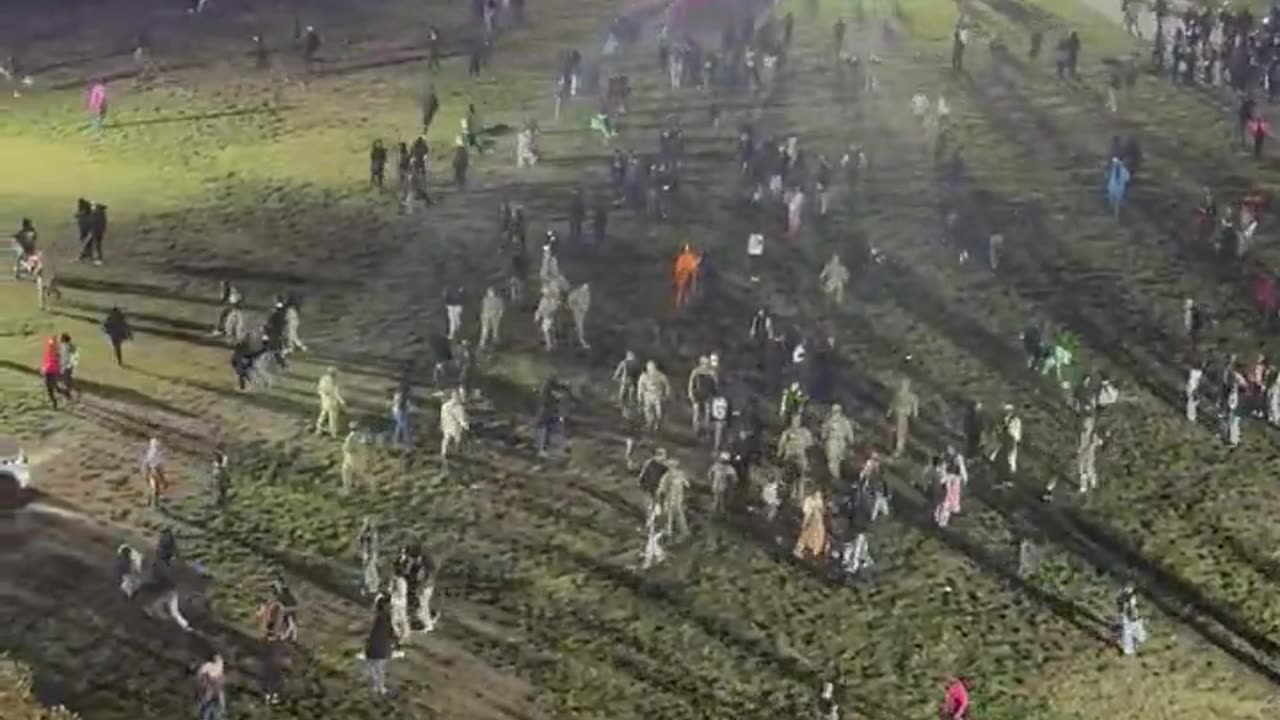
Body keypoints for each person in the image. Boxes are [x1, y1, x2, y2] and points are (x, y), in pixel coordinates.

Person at [365, 592, 397, 695]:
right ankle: (380, 687)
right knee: (380, 668)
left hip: (374, 645)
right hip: (383, 646)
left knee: (373, 666)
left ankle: (376, 685)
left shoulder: (376, 617)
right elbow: (393, 633)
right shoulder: (389, 618)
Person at [656, 457, 690, 541]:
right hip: (678, 499)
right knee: (678, 515)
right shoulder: (680, 474)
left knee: (669, 516)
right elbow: (687, 484)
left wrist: (658, 496)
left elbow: (661, 490)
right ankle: (683, 532)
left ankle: (670, 532)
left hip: (670, 500)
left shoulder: (667, 477)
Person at [793, 488, 829, 561]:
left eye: (819, 495)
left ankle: (814, 552)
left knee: (818, 537)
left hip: (818, 523)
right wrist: (805, 522)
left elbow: (822, 512)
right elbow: (807, 514)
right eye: (817, 494)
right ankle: (799, 550)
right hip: (812, 521)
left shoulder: (820, 501)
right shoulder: (809, 500)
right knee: (805, 535)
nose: (818, 496)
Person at [822, 404, 854, 482]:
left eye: (837, 411)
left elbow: (850, 433)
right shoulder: (828, 422)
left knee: (840, 461)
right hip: (832, 442)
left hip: (841, 442)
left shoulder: (845, 421)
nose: (836, 413)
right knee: (832, 461)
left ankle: (840, 478)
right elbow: (823, 434)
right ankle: (835, 478)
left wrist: (851, 441)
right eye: (834, 411)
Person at [637, 361, 671, 432]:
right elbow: (640, 386)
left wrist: (667, 395)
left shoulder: (661, 376)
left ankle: (657, 424)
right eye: (650, 367)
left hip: (658, 396)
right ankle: (649, 424)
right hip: (648, 396)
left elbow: (667, 385)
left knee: (659, 412)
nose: (651, 368)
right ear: (647, 367)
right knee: (648, 411)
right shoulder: (644, 376)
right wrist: (640, 395)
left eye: (653, 367)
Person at [687, 356, 718, 433]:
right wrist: (690, 393)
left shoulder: (712, 372)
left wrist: (714, 395)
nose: (705, 364)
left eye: (706, 362)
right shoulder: (696, 371)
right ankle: (696, 430)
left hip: (707, 394)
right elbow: (691, 383)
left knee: (707, 414)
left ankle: (706, 430)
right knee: (696, 413)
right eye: (703, 362)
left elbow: (715, 384)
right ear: (700, 362)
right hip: (697, 394)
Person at [890, 377, 918, 457]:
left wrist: (914, 414)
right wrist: (889, 413)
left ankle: (898, 450)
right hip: (896, 415)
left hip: (903, 416)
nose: (903, 386)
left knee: (900, 433)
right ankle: (895, 449)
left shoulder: (912, 397)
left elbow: (915, 407)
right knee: (894, 432)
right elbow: (892, 404)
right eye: (902, 385)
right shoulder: (898, 394)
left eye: (905, 385)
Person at [439, 388, 470, 462]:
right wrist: (466, 426)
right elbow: (461, 419)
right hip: (455, 427)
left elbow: (442, 416)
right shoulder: (459, 408)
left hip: (446, 425)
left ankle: (443, 453)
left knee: (446, 439)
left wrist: (442, 424)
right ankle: (456, 452)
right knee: (457, 439)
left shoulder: (445, 406)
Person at [314, 367, 346, 437]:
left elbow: (319, 390)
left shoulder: (323, 379)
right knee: (333, 418)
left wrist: (323, 396)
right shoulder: (333, 381)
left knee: (323, 414)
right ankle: (333, 433)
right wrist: (342, 402)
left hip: (324, 401)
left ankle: (318, 427)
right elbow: (336, 393)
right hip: (332, 402)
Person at [195, 651, 227, 720]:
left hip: (213, 696)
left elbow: (220, 688)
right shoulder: (208, 666)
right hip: (207, 696)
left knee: (214, 714)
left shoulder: (219, 669)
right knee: (206, 714)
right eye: (216, 658)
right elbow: (200, 676)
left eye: (219, 658)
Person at [1117, 584, 1147, 655]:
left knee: (1139, 636)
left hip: (1134, 620)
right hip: (1129, 620)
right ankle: (1129, 649)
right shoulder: (1126, 603)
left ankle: (1135, 647)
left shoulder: (1132, 600)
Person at [39, 336, 68, 409]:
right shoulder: (56, 352)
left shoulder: (54, 353)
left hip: (50, 372)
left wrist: (44, 369)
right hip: (53, 371)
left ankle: (55, 402)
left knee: (50, 389)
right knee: (54, 386)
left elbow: (49, 363)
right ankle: (65, 393)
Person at [141, 438, 168, 508]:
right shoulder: (154, 454)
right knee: (154, 488)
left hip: (151, 471)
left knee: (154, 488)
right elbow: (153, 467)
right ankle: (152, 502)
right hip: (152, 471)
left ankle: (152, 502)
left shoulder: (152, 453)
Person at [341, 424, 367, 491]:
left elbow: (347, 448)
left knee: (346, 471)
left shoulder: (350, 437)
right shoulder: (363, 435)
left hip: (352, 458)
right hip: (361, 458)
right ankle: (360, 486)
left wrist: (343, 447)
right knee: (360, 473)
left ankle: (347, 489)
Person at [358, 517, 380, 596]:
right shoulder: (366, 532)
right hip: (367, 553)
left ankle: (372, 588)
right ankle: (369, 588)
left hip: (370, 554)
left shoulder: (372, 533)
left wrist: (370, 556)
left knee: (370, 569)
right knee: (367, 570)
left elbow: (373, 544)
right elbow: (360, 539)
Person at [567, 283, 591, 349]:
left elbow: (587, 302)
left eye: (586, 288)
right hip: (577, 311)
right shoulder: (576, 292)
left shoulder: (587, 294)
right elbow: (570, 298)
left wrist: (585, 308)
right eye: (584, 288)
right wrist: (572, 306)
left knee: (578, 325)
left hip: (582, 312)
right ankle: (582, 341)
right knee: (579, 325)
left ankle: (576, 336)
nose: (585, 290)